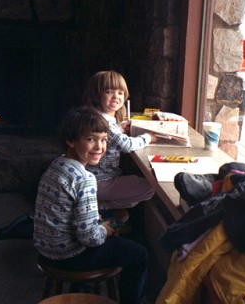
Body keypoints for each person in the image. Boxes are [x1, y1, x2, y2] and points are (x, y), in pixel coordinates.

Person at [33, 106, 148, 304]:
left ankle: (81, 288)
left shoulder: (56, 164)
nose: (99, 147)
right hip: (69, 256)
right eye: (91, 139)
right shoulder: (84, 179)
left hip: (45, 249)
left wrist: (95, 222)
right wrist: (105, 230)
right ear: (71, 141)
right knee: (139, 254)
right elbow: (90, 238)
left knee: (114, 227)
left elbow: (67, 212)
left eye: (103, 140)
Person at [82, 70, 156, 216]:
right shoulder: (104, 122)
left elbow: (111, 136)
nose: (116, 96)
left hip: (96, 179)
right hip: (100, 182)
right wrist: (149, 137)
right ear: (97, 95)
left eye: (120, 93)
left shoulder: (96, 116)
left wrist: (120, 128)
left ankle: (99, 205)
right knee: (149, 187)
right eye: (109, 92)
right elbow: (126, 145)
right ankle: (101, 207)